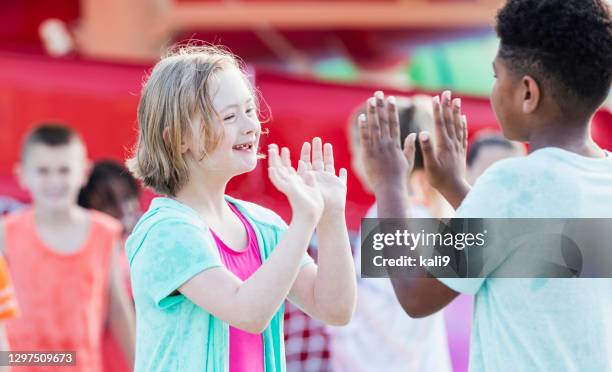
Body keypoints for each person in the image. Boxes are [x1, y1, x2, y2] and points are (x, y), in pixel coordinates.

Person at [357, 0, 612, 370]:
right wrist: (456, 188)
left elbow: (414, 295)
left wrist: (389, 184)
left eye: (496, 76)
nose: (494, 89)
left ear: (527, 93)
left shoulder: (510, 183)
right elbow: (532, 250)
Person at [124, 45, 357, 372]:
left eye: (250, 110)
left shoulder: (263, 225)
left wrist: (330, 215)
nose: (250, 126)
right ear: (178, 139)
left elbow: (336, 308)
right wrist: (304, 220)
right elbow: (248, 312)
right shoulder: (165, 231)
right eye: (230, 116)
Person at [330, 96, 452, 372]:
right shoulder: (420, 214)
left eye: (353, 149)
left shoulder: (391, 218)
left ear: (375, 150)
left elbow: (396, 321)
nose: (351, 161)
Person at [0, 124, 136, 372]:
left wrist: (140, 365)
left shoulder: (105, 233)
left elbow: (118, 308)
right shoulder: (5, 233)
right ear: (22, 174)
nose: (54, 181)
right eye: (43, 171)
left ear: (83, 173)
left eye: (64, 170)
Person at [78, 160, 141, 372]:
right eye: (107, 202)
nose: (121, 209)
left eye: (126, 197)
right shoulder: (81, 255)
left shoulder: (153, 245)